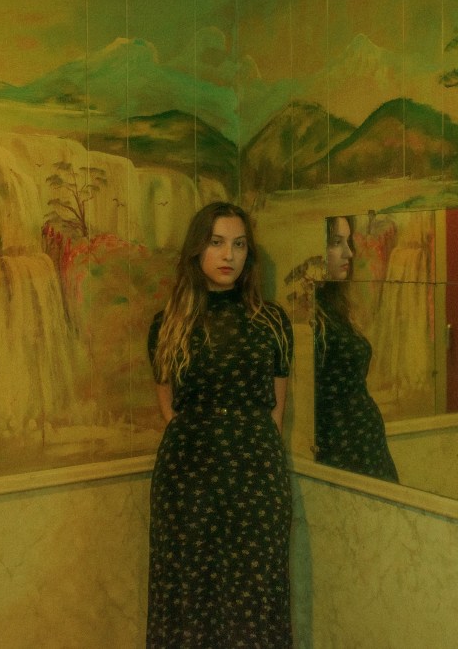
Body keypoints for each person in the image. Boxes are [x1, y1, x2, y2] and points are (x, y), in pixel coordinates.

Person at [147, 201, 294, 647]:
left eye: (239, 245)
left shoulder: (272, 321)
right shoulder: (168, 323)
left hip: (257, 478)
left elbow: (275, 409)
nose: (229, 255)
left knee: (256, 592)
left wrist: (249, 450)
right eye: (216, 242)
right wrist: (205, 441)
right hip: (188, 478)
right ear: (198, 249)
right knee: (189, 593)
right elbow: (169, 408)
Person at [313, 216, 398, 481]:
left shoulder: (332, 307)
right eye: (336, 242)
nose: (349, 253)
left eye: (348, 242)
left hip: (365, 445)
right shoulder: (306, 315)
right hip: (340, 450)